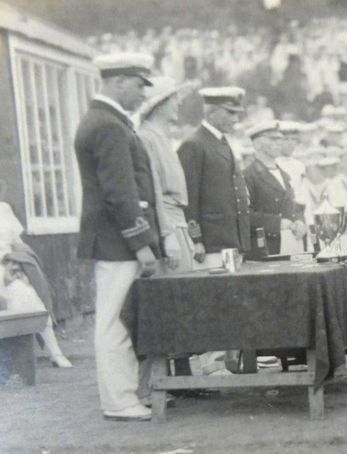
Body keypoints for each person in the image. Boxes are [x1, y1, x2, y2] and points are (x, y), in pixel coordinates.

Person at [74, 52, 160, 422]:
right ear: (120, 81)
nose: (143, 95)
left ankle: (127, 395)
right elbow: (120, 194)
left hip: (114, 239)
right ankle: (120, 401)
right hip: (118, 241)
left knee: (116, 320)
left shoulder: (106, 121)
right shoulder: (109, 125)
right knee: (114, 322)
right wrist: (142, 244)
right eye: (140, 86)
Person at [135, 76, 197, 404]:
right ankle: (147, 387)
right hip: (167, 224)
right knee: (163, 307)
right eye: (173, 100)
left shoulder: (162, 136)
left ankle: (180, 379)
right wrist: (167, 237)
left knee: (180, 306)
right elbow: (154, 192)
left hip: (178, 221)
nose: (178, 104)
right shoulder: (147, 137)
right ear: (159, 104)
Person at [178, 86, 251, 269]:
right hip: (210, 246)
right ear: (211, 112)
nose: (235, 120)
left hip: (230, 241)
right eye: (230, 113)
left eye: (237, 114)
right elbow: (188, 197)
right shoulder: (194, 144)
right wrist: (196, 240)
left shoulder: (221, 141)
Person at [0, 196, 72, 372]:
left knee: (30, 298)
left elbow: (17, 243)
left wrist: (22, 263)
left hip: (9, 266)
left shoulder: (4, 208)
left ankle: (55, 353)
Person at [244, 120, 305, 255]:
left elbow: (293, 206)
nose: (279, 143)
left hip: (289, 244)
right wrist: (277, 223)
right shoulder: (248, 175)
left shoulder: (285, 175)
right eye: (273, 139)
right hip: (265, 247)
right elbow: (245, 215)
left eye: (280, 139)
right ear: (257, 144)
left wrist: (300, 221)